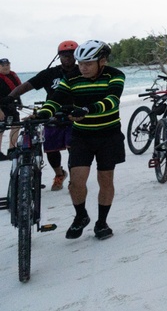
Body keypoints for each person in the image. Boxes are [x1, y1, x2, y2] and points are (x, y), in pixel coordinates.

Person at [35, 40, 125, 240]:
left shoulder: (116, 75)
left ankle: (102, 223)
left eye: (88, 63)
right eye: (80, 62)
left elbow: (112, 100)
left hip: (108, 135)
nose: (82, 67)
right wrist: (43, 113)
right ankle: (81, 216)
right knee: (76, 182)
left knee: (105, 180)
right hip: (82, 136)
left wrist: (86, 109)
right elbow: (56, 98)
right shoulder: (72, 77)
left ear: (102, 61)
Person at [0, 41, 80, 189]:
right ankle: (59, 174)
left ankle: (75, 179)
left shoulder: (82, 72)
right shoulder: (50, 73)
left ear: (77, 56)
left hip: (74, 115)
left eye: (71, 55)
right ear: (59, 57)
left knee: (74, 148)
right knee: (51, 149)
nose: (67, 58)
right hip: (51, 114)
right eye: (64, 55)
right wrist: (9, 98)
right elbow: (27, 85)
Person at [0, 58, 23, 159]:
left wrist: (20, 102)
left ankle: (12, 150)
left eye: (7, 64)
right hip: (1, 107)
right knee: (1, 129)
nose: (6, 67)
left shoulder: (13, 76)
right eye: (3, 65)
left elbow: (17, 91)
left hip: (12, 106)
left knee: (16, 126)